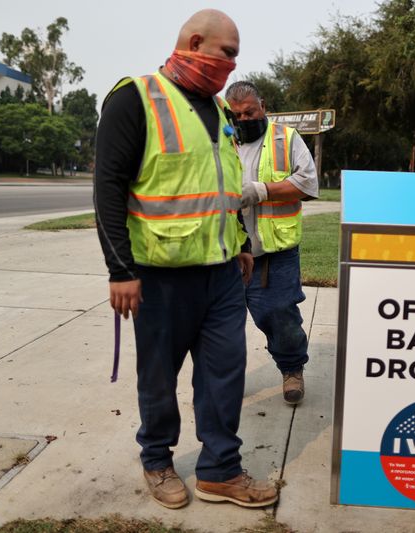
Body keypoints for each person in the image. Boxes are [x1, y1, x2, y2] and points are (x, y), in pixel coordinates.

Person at [94, 9, 278, 510]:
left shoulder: (217, 110)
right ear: (195, 42)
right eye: (228, 53)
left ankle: (220, 471)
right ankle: (156, 460)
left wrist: (240, 240)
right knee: (158, 375)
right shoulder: (135, 98)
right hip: (158, 276)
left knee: (225, 373)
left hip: (219, 275)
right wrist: (120, 270)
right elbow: (107, 188)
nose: (232, 64)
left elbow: (223, 188)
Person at [225, 81, 319, 405]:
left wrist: (261, 190)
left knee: (280, 315)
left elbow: (307, 182)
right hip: (229, 252)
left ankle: (292, 368)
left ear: (262, 106)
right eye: (236, 114)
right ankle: (227, 378)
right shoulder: (221, 142)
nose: (244, 118)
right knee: (224, 322)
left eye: (250, 111)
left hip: (273, 252)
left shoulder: (285, 138)